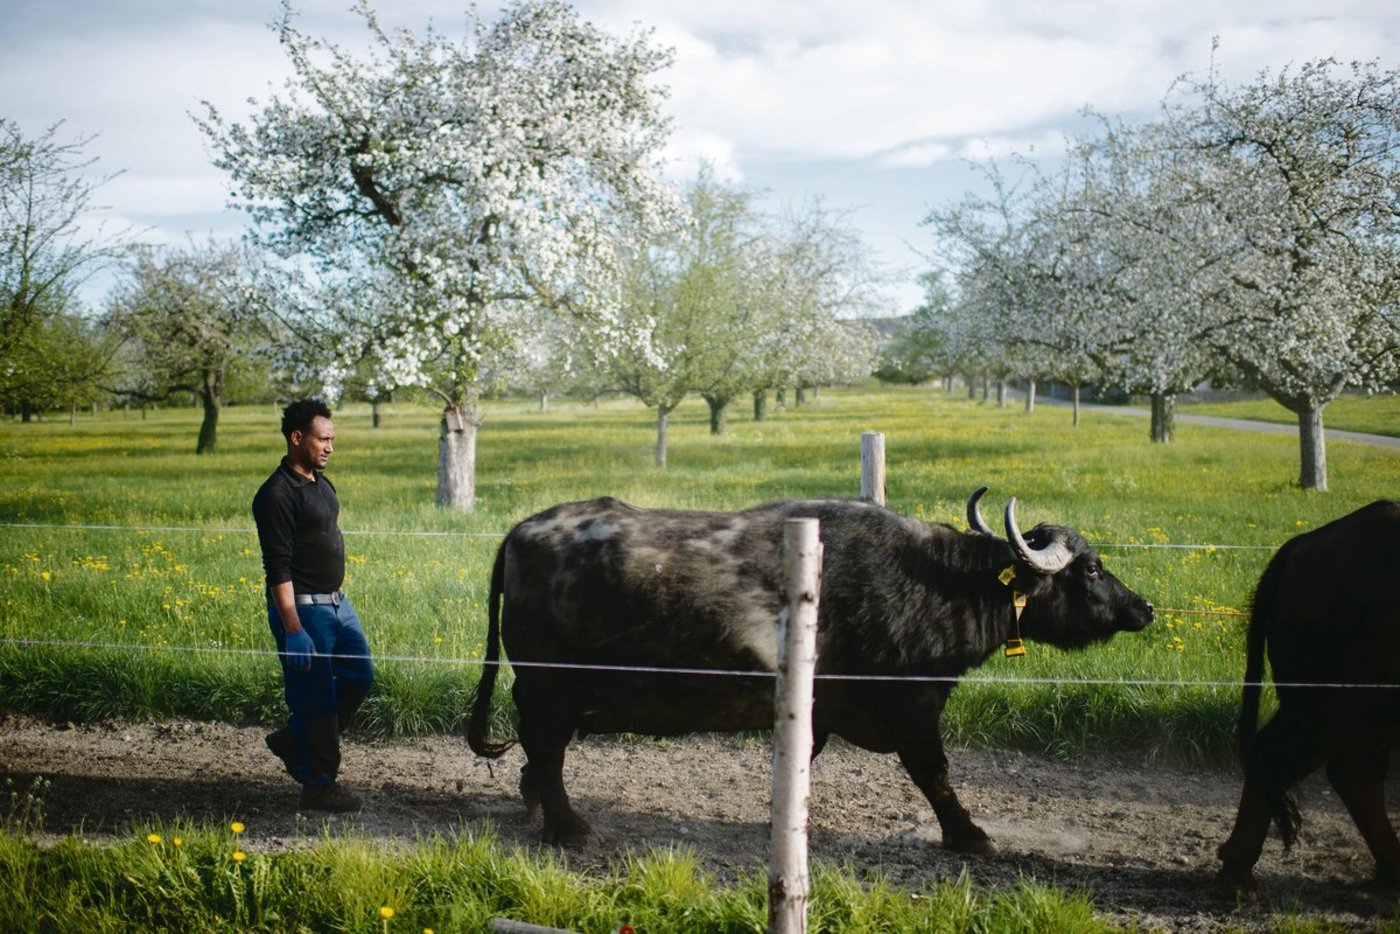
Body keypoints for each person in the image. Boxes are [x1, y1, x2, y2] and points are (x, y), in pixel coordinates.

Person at [252, 398, 374, 812]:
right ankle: (319, 785)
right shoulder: (276, 495)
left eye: (332, 439)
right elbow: (277, 568)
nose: (330, 447)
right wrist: (293, 629)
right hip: (304, 612)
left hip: (338, 606)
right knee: (317, 699)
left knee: (360, 675)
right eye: (323, 439)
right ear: (297, 437)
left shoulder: (321, 482)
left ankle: (294, 738)